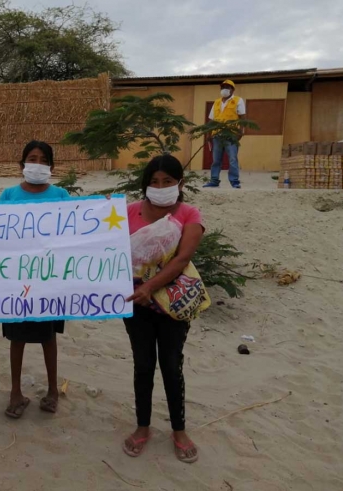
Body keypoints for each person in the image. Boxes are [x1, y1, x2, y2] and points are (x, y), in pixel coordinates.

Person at [122, 154, 203, 464]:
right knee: (143, 365)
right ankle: (142, 427)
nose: (160, 187)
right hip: (135, 303)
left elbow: (182, 259)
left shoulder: (189, 214)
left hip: (172, 304)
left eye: (167, 181)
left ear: (179, 183)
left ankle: (179, 430)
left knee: (171, 365)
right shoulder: (127, 212)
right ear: (146, 185)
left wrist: (149, 286)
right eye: (154, 182)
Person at [0, 141, 69, 419]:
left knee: (48, 336)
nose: (37, 164)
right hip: (17, 281)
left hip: (50, 281)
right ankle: (15, 391)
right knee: (16, 337)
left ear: (51, 167)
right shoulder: (8, 196)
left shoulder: (62, 195)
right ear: (21, 165)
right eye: (31, 158)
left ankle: (53, 390)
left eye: (43, 160)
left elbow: (80, 231)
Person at [204, 80, 246, 189]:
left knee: (232, 158)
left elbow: (242, 117)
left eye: (228, 87)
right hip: (217, 135)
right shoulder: (217, 102)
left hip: (231, 134)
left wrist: (241, 131)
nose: (225, 89)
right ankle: (214, 180)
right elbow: (211, 119)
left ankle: (234, 181)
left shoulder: (238, 100)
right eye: (223, 87)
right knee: (216, 159)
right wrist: (209, 133)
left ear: (232, 89)